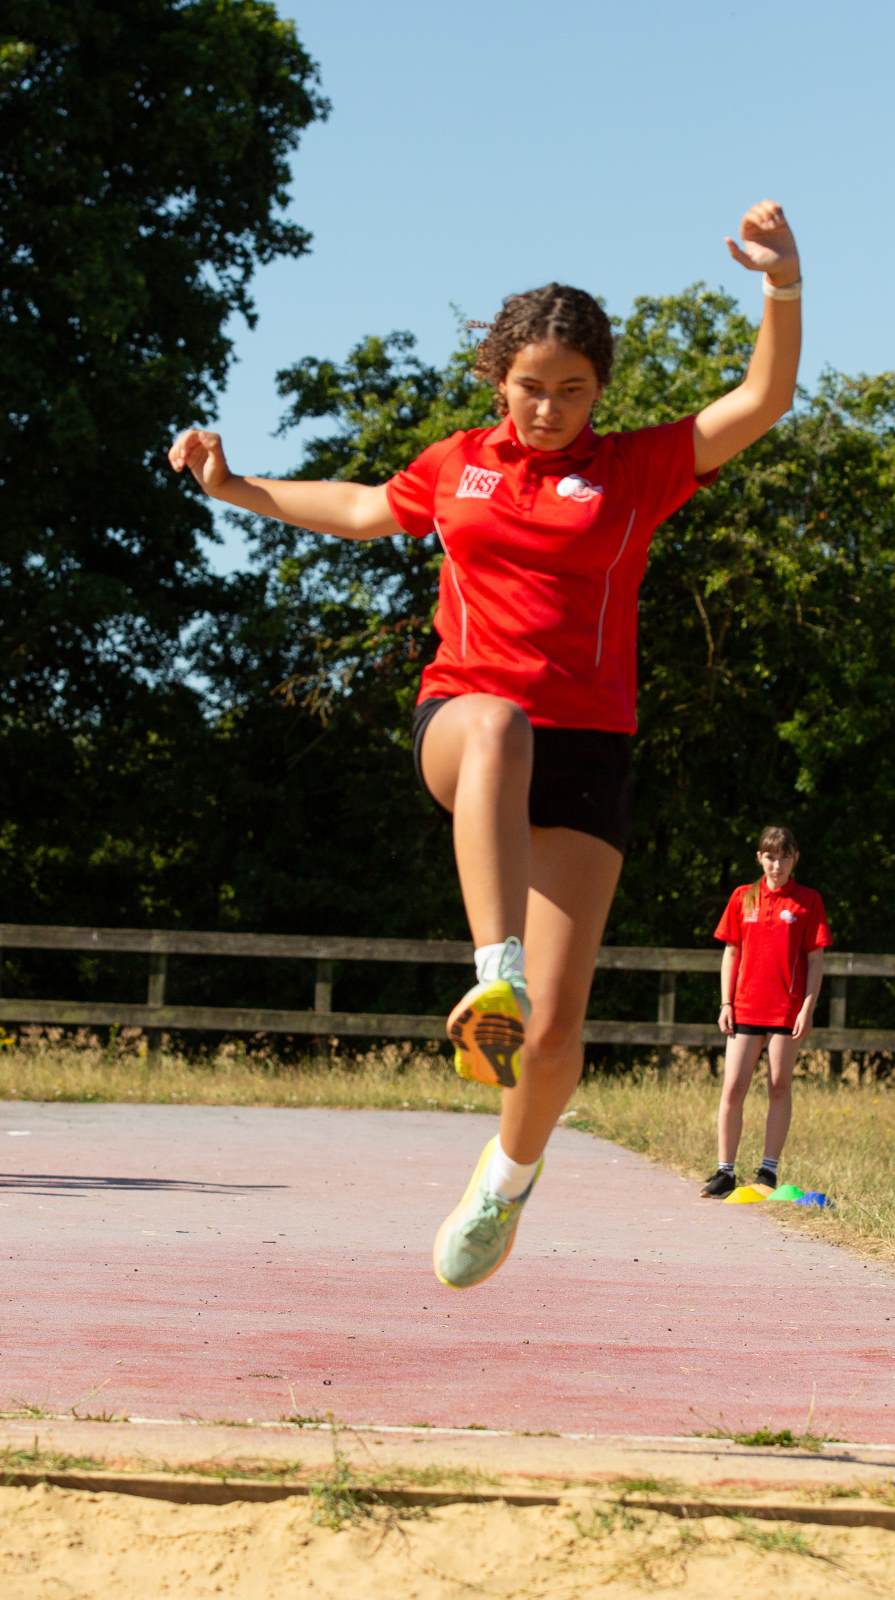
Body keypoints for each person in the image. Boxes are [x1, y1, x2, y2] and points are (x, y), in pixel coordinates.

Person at [169, 200, 803, 1288]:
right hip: (464, 725)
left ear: (600, 389)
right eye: (530, 387)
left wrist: (781, 285)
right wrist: (232, 487)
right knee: (499, 723)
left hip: (588, 752)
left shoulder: (637, 470)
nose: (549, 409)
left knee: (554, 1038)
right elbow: (362, 508)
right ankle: (491, 976)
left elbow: (762, 399)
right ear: (496, 378)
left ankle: (506, 1179)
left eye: (573, 390)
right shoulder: (456, 464)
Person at [700, 825, 831, 1197]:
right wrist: (726, 1002)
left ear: (795, 859)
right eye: (771, 857)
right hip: (745, 1007)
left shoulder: (808, 901)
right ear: (760, 858)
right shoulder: (743, 897)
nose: (777, 865)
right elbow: (731, 952)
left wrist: (807, 1008)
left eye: (784, 857)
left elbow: (816, 960)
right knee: (733, 1086)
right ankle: (725, 1171)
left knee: (778, 1085)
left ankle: (768, 1170)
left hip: (786, 1010)